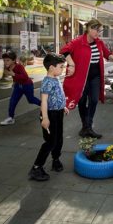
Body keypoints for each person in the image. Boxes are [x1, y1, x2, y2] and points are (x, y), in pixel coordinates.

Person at [60, 19, 113, 139]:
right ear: (89, 29)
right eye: (96, 30)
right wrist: (72, 64)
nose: (98, 33)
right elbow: (64, 51)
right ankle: (86, 127)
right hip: (80, 78)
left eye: (100, 31)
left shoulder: (99, 42)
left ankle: (87, 126)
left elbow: (106, 53)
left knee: (94, 100)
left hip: (95, 76)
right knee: (82, 101)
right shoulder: (78, 42)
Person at [29, 53, 69, 181]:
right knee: (50, 141)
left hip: (58, 113)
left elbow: (58, 95)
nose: (62, 69)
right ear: (52, 67)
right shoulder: (47, 82)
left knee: (58, 139)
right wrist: (45, 118)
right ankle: (36, 167)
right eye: (61, 66)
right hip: (49, 114)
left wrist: (63, 106)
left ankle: (55, 159)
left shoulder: (55, 79)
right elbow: (44, 101)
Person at [0, 51, 41, 125]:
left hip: (27, 85)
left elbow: (25, 77)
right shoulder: (8, 67)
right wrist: (14, 82)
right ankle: (11, 118)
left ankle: (45, 106)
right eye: (4, 60)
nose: (5, 62)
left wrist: (13, 74)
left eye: (8, 60)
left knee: (31, 100)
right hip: (18, 86)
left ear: (13, 60)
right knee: (12, 101)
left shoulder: (19, 66)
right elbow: (15, 77)